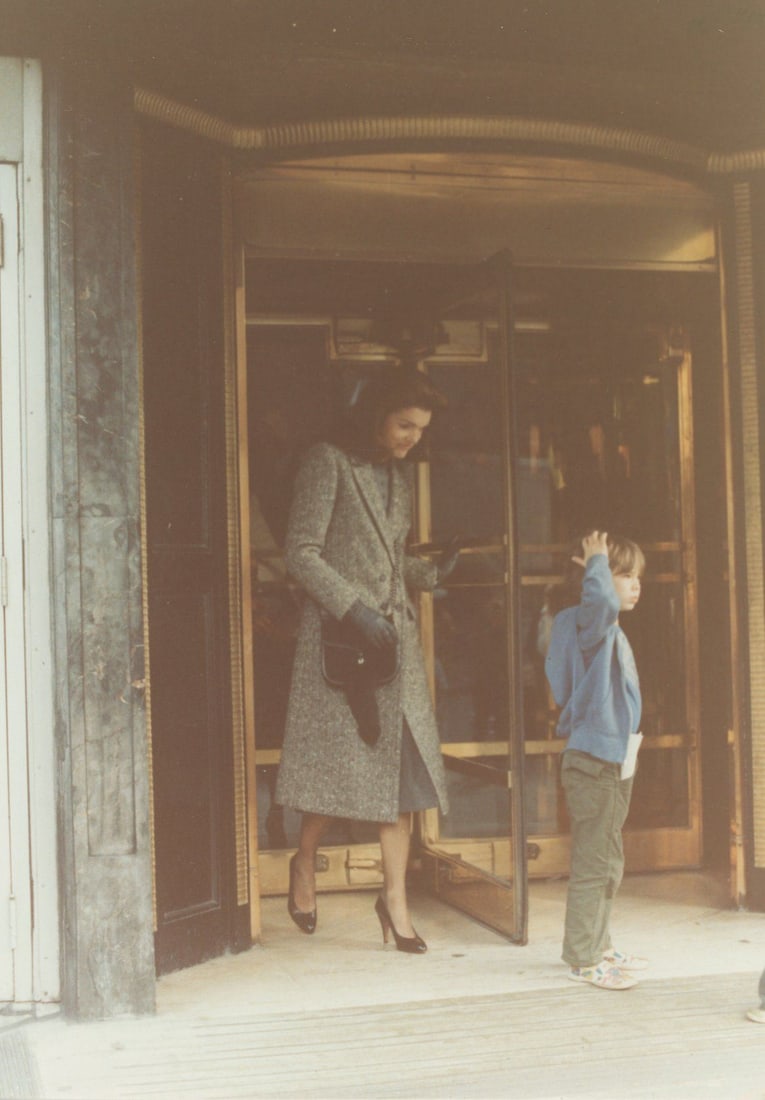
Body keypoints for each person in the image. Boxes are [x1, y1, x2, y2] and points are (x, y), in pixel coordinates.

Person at [275, 369, 460, 953]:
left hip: (392, 650)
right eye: (404, 424)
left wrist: (429, 574)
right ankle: (303, 864)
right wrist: (354, 609)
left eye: (420, 429)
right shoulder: (327, 462)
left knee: (396, 782)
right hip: (342, 647)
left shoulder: (396, 475)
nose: (411, 438)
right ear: (377, 414)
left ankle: (395, 905)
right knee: (341, 779)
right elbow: (300, 554)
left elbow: (391, 558)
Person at [545, 529, 646, 990]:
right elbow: (602, 601)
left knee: (608, 858)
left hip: (611, 756)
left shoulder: (599, 630)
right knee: (594, 861)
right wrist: (598, 561)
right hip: (596, 759)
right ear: (593, 579)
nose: (633, 585)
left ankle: (598, 941)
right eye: (623, 575)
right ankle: (584, 957)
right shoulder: (590, 626)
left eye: (635, 576)